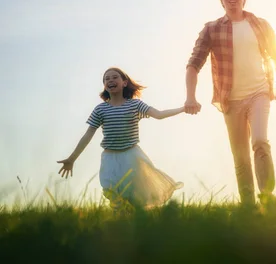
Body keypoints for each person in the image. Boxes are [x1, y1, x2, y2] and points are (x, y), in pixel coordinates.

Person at [185, 0, 276, 206]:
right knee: (240, 157)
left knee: (260, 141)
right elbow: (193, 64)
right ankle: (248, 205)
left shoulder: (260, 24)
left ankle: (267, 197)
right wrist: (191, 96)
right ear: (221, 1)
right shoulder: (211, 29)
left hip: (259, 92)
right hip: (231, 99)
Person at [57, 67, 184, 210]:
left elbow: (159, 114)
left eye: (114, 77)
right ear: (105, 85)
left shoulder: (135, 104)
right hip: (110, 156)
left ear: (124, 83)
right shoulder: (100, 109)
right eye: (106, 79)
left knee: (134, 195)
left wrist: (183, 108)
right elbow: (88, 135)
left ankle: (137, 223)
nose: (110, 80)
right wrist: (72, 158)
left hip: (132, 155)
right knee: (111, 192)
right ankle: (121, 222)